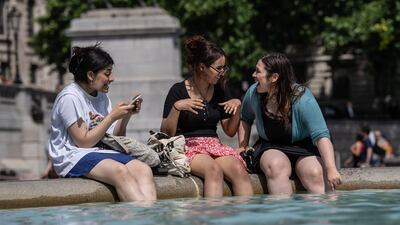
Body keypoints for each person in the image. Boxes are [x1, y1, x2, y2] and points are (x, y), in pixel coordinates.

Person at [48, 45, 156, 201]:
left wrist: (125, 116)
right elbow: (83, 142)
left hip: (98, 151)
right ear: (91, 75)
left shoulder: (101, 96)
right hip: (71, 156)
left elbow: (114, 139)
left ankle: (149, 216)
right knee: (120, 171)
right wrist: (111, 117)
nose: (112, 78)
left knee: (144, 169)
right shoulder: (70, 98)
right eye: (107, 73)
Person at [160, 35, 253, 197]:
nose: (222, 73)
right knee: (213, 170)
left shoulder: (220, 90)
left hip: (214, 145)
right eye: (219, 68)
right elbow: (166, 133)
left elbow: (230, 131)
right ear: (202, 67)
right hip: (187, 146)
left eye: (224, 68)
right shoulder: (177, 90)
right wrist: (177, 107)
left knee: (239, 169)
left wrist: (237, 107)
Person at [238, 53, 341, 194]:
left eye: (258, 71)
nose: (253, 75)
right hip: (271, 146)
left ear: (274, 77)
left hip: (303, 146)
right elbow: (245, 119)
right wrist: (242, 147)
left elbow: (321, 136)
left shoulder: (303, 99)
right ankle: (283, 214)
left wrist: (331, 169)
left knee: (315, 173)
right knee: (275, 166)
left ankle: (320, 214)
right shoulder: (253, 93)